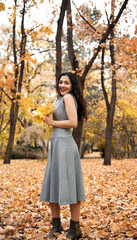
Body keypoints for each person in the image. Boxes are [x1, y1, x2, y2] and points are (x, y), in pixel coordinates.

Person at [40, 72, 87, 239]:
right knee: (53, 184)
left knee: (72, 186)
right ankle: (56, 225)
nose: (62, 85)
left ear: (72, 85)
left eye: (66, 83)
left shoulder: (68, 98)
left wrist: (52, 122)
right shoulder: (59, 99)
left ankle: (75, 228)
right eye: (60, 82)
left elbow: (73, 123)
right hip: (56, 145)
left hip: (66, 146)